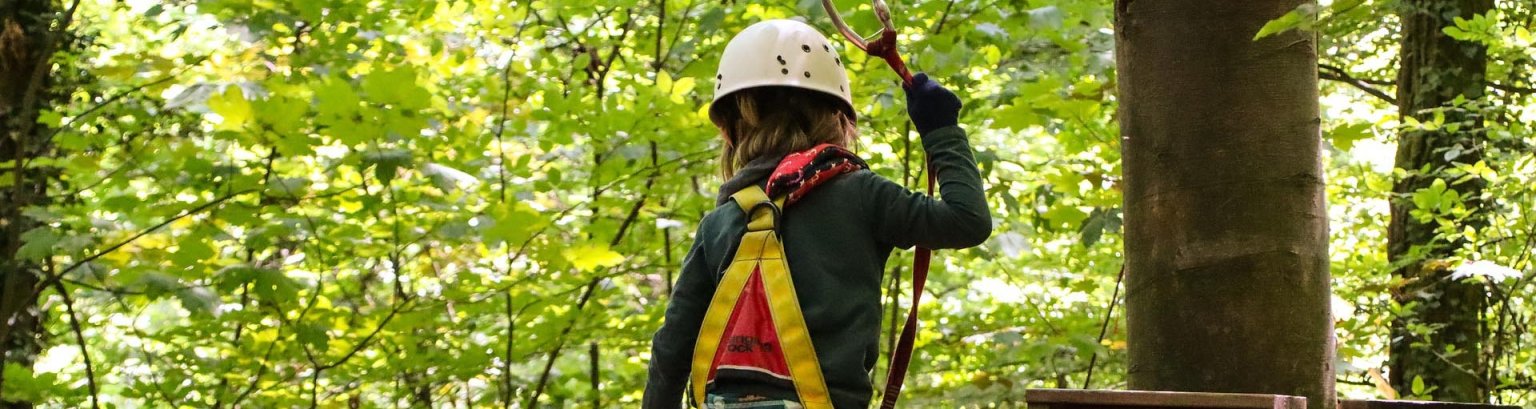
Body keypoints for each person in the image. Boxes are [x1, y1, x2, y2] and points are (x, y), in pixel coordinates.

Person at [644, 19, 991, 409]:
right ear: (840, 119)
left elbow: (671, 350)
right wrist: (941, 131)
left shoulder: (721, 223)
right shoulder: (862, 194)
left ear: (728, 130)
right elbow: (967, 220)